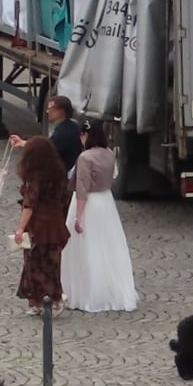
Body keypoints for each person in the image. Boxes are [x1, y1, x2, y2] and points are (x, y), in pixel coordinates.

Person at [60, 123, 139, 312]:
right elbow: (114, 175)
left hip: (90, 203)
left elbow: (82, 189)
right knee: (108, 245)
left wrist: (79, 217)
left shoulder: (85, 157)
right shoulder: (109, 153)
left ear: (86, 135)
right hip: (106, 201)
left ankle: (84, 293)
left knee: (84, 248)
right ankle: (109, 289)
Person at [13, 135, 72, 314]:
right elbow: (64, 198)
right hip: (56, 223)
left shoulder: (34, 177)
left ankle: (40, 300)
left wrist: (21, 228)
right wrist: (23, 143)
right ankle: (54, 297)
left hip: (39, 225)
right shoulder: (58, 173)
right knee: (53, 262)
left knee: (34, 262)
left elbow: (29, 204)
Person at [44, 94, 85, 171]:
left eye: (50, 108)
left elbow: (46, 148)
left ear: (60, 111)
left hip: (64, 175)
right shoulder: (70, 125)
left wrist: (24, 144)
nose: (47, 111)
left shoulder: (64, 132)